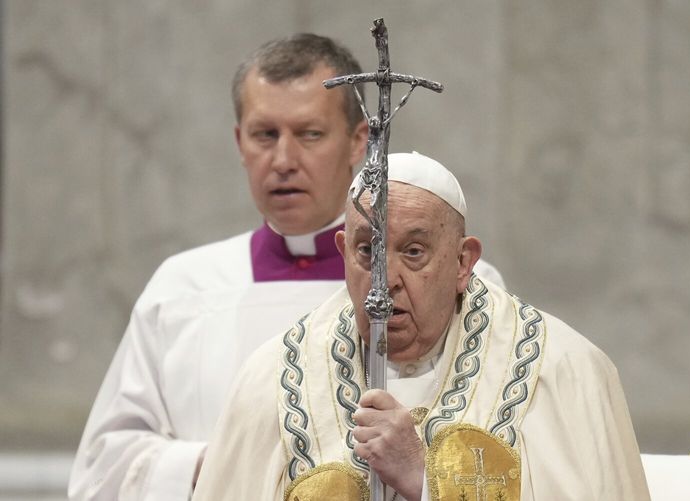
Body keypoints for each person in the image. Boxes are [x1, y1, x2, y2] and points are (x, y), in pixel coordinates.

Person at [68, 37, 503, 501]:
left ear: (359, 141)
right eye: (265, 135)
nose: (283, 161)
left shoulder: (459, 286)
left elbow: (502, 449)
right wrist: (222, 462)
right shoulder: (183, 288)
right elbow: (100, 470)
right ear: (239, 142)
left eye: (309, 134)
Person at [192, 152, 651, 501]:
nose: (385, 280)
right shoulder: (273, 380)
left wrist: (424, 479)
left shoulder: (562, 371)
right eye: (367, 251)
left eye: (413, 252)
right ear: (343, 251)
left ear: (463, 261)